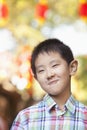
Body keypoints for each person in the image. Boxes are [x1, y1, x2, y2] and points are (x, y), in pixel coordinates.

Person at [10, 38, 87, 130]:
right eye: (41, 70)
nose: (49, 74)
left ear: (72, 67)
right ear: (36, 78)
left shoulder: (85, 116)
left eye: (54, 65)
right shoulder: (25, 118)